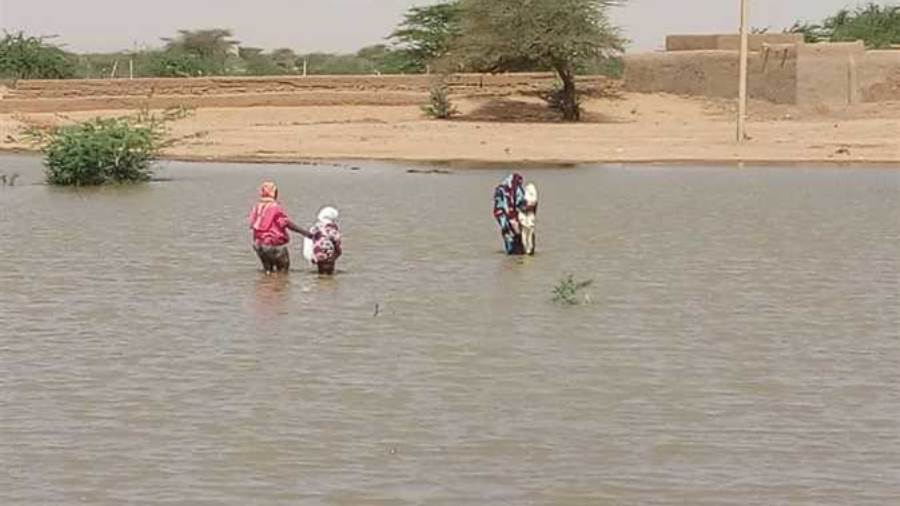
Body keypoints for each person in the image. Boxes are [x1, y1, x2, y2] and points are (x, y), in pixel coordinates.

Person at [248, 182, 311, 274]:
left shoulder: (257, 207)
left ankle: (265, 287)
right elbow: (285, 223)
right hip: (273, 244)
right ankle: (277, 287)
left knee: (268, 271)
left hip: (259, 245)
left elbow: (253, 224)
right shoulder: (275, 207)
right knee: (283, 273)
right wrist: (305, 232)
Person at [493, 173, 528, 255]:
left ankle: (511, 256)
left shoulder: (500, 190)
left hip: (502, 218)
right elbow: (520, 202)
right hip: (511, 218)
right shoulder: (516, 188)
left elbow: (497, 207)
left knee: (508, 237)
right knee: (517, 239)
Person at [303, 206, 343, 275]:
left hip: (318, 253)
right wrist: (338, 252)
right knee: (329, 274)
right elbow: (336, 241)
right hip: (329, 255)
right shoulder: (332, 228)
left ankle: (321, 280)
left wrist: (312, 256)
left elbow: (309, 240)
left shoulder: (315, 227)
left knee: (321, 272)